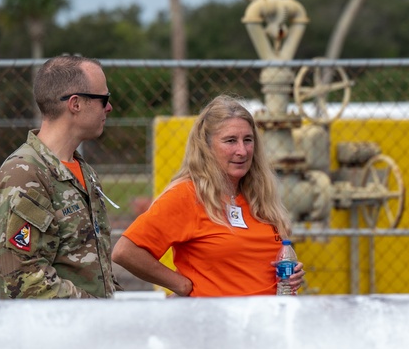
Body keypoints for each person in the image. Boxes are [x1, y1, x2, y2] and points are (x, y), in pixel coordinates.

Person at [111, 95, 304, 296]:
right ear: (206, 146)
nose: (242, 151)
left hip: (268, 318)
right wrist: (180, 285)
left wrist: (291, 274)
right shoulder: (187, 195)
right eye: (230, 141)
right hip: (214, 321)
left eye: (248, 140)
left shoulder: (259, 194)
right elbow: (125, 251)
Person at [0, 55, 117, 298]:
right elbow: (25, 281)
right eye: (104, 99)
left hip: (92, 329)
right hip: (56, 332)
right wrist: (97, 312)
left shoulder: (82, 170)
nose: (109, 107)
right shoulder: (24, 175)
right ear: (76, 104)